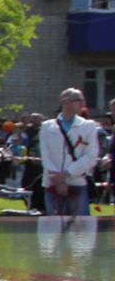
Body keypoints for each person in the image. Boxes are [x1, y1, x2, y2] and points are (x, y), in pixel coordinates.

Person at [39, 87, 101, 217]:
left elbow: (91, 155)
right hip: (53, 184)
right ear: (65, 102)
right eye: (78, 100)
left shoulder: (88, 126)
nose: (82, 104)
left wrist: (67, 174)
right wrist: (58, 180)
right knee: (54, 231)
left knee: (80, 231)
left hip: (77, 183)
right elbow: (45, 155)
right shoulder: (47, 127)